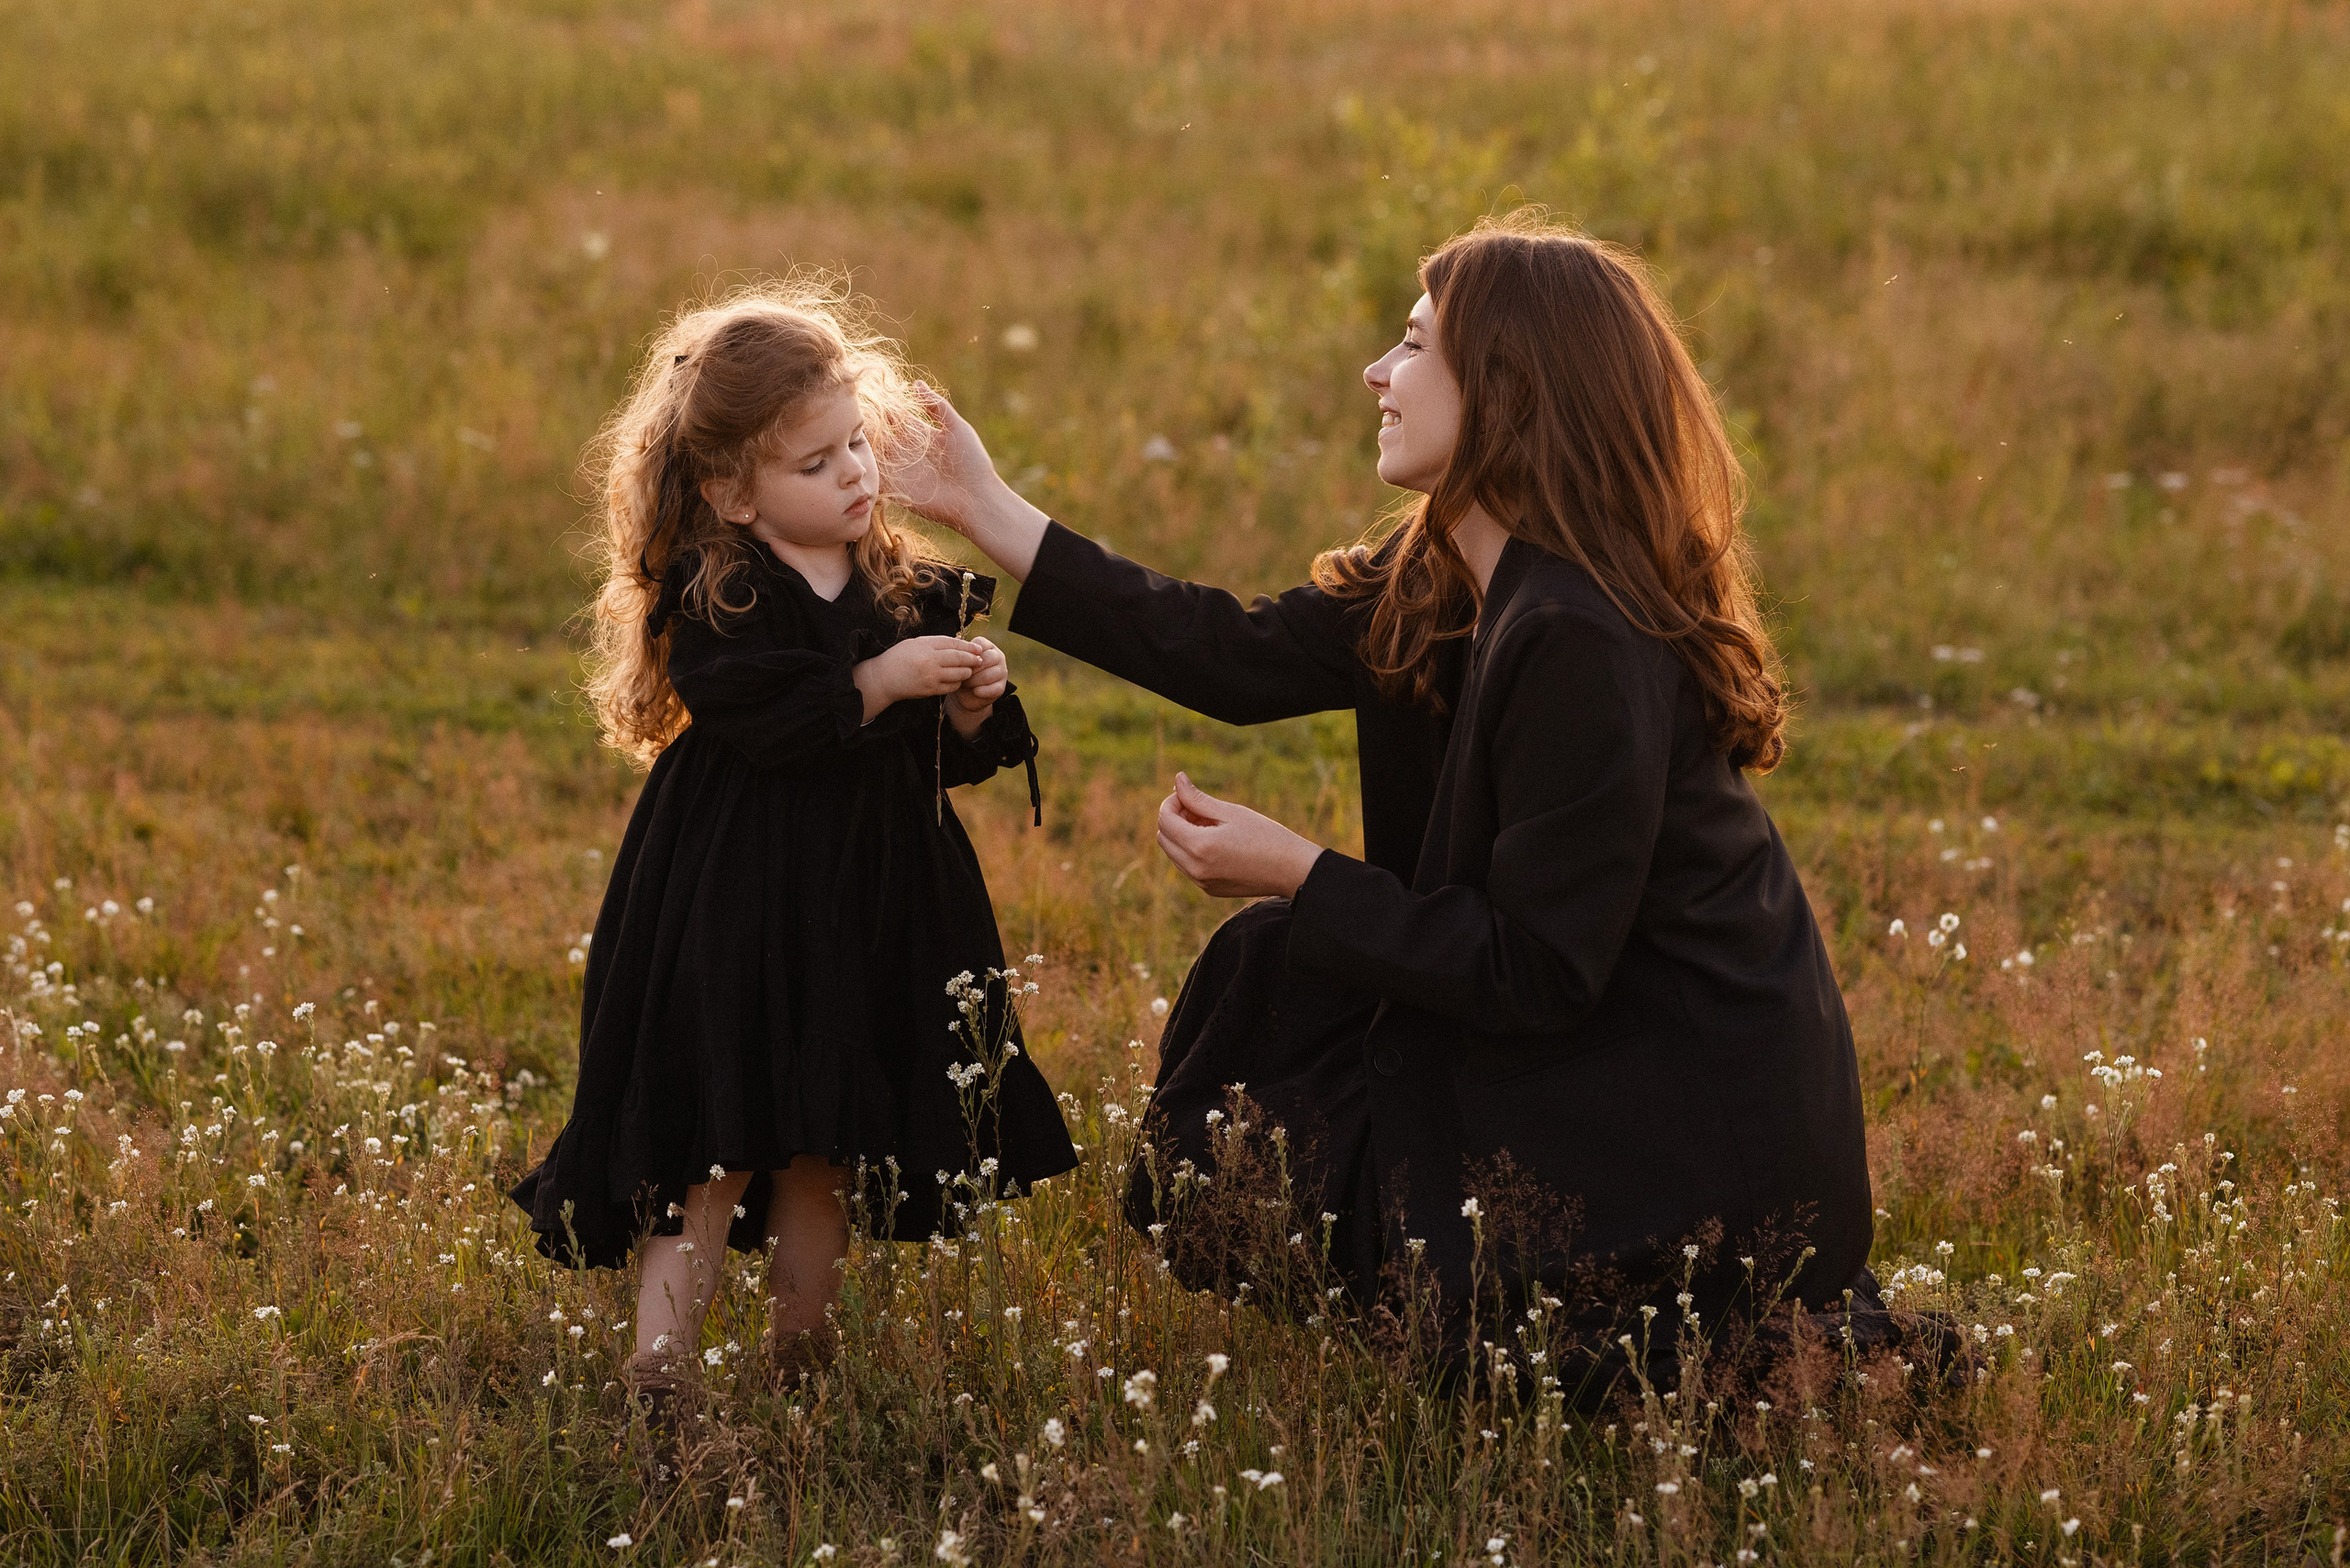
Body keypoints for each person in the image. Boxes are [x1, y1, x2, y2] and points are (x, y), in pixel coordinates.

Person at [897, 211, 1878, 1391]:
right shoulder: (1447, 572)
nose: (1377, 370)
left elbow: (1541, 969)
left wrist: (1302, 873)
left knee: (1298, 971)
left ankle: (1728, 1337)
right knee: (1274, 975)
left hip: (1677, 1118)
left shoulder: (1577, 632)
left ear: (1509, 391)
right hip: (1590, 1053)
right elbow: (1232, 654)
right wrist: (980, 505)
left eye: (1414, 347)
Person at [509, 278, 1076, 1427]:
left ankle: (800, 1359)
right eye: (815, 464)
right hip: (737, 897)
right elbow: (759, 716)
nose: (855, 474)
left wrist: (967, 703)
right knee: (714, 1141)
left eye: (856, 444)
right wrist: (875, 682)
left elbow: (940, 762)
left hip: (869, 903)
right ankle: (659, 1372)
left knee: (827, 1139)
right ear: (732, 491)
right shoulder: (721, 589)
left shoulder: (900, 587)